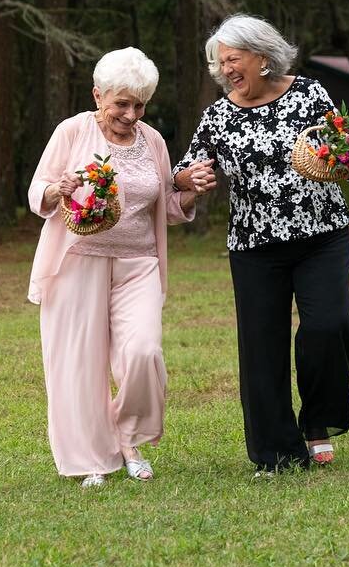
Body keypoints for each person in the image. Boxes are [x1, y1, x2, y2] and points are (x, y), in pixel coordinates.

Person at [173, 13, 349, 476]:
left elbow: (345, 149)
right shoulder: (217, 115)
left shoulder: (309, 93)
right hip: (255, 245)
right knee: (261, 348)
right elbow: (184, 169)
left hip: (321, 235)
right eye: (220, 63)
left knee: (329, 327)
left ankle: (317, 421)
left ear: (261, 56)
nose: (226, 69)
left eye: (233, 59)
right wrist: (189, 177)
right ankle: (276, 453)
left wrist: (342, 158)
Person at [27, 48, 215, 488]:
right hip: (77, 261)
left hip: (139, 263)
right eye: (122, 104)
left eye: (140, 104)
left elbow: (166, 204)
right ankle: (94, 458)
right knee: (77, 366)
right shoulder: (72, 132)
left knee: (143, 352)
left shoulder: (153, 141)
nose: (131, 114)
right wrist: (60, 187)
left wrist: (190, 194)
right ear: (98, 96)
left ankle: (127, 436)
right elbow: (39, 190)